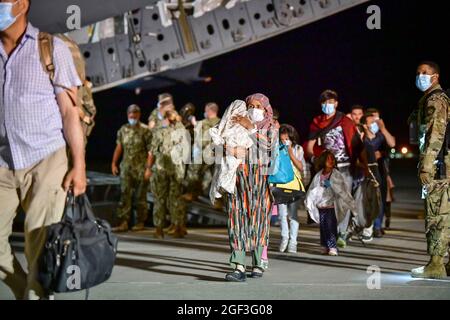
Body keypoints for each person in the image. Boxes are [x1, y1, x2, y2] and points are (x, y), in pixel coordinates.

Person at [0, 0, 86, 300]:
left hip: (46, 160)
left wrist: (79, 166)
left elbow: (69, 113)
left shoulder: (52, 48)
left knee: (40, 246)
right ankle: (26, 291)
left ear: (21, 5)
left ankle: (35, 295)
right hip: (2, 161)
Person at [223, 93, 276, 282]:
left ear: (265, 109)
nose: (254, 109)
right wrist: (229, 149)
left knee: (259, 222)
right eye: (250, 105)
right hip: (238, 181)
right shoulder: (235, 123)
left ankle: (258, 263)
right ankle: (238, 266)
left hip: (261, 184)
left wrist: (251, 128)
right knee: (236, 220)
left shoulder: (272, 128)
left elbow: (268, 151)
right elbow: (219, 143)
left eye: (258, 106)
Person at [306, 90, 363, 248]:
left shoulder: (345, 121)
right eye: (324, 103)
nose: (327, 105)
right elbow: (310, 147)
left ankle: (342, 233)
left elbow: (357, 146)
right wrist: (314, 159)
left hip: (345, 167)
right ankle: (331, 236)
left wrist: (362, 163)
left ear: (336, 103)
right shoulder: (317, 122)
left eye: (331, 102)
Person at [411, 61, 450, 279]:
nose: (420, 76)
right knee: (446, 213)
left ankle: (435, 264)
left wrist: (427, 165)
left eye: (424, 73)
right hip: (444, 164)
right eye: (418, 73)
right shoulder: (432, 99)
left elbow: (436, 134)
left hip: (438, 166)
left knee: (436, 213)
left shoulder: (435, 100)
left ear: (435, 76)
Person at [305, 151, 356, 256]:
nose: (331, 161)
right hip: (321, 205)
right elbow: (313, 188)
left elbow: (342, 189)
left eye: (332, 159)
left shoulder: (336, 174)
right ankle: (324, 245)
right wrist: (310, 199)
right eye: (328, 159)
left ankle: (332, 246)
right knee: (323, 226)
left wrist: (332, 184)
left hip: (332, 205)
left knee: (330, 226)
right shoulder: (319, 175)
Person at [111, 105, 153, 232]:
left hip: (141, 168)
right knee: (125, 195)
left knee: (140, 196)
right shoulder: (123, 129)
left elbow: (151, 151)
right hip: (126, 168)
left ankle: (140, 222)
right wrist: (114, 163)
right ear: (127, 114)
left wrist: (148, 168)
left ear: (139, 115)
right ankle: (123, 222)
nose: (132, 116)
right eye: (130, 114)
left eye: (135, 114)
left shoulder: (146, 130)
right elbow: (119, 147)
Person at [149, 110, 190, 239]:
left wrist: (148, 168)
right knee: (173, 199)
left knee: (162, 199)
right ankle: (172, 227)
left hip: (165, 169)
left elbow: (152, 151)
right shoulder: (180, 130)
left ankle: (161, 229)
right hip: (172, 170)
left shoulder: (162, 130)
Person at [362, 108, 396, 238]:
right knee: (368, 200)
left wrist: (383, 128)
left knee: (379, 199)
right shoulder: (364, 134)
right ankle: (367, 225)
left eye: (378, 120)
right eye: (373, 120)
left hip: (380, 170)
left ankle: (377, 226)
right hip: (366, 170)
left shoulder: (382, 134)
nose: (376, 122)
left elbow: (392, 143)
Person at [183, 102, 221, 202]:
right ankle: (217, 201)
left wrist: (195, 124)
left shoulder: (205, 123)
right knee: (214, 176)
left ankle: (191, 194)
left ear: (209, 111)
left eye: (205, 110)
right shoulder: (221, 123)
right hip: (216, 154)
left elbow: (203, 139)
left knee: (193, 172)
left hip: (203, 153)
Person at [278, 124, 306, 254]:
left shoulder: (298, 149)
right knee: (281, 214)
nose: (284, 142)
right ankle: (284, 238)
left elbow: (301, 167)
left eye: (287, 139)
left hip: (294, 184)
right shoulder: (276, 148)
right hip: (281, 184)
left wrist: (290, 152)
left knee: (293, 214)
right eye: (282, 139)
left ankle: (293, 242)